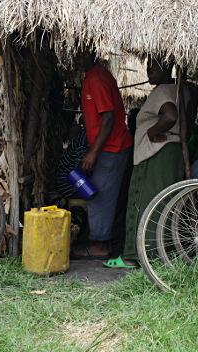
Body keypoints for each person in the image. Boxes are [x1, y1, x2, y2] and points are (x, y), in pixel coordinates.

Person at [105, 59, 187, 268]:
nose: (149, 70)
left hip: (155, 154)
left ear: (168, 68)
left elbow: (170, 116)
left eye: (155, 67)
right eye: (148, 66)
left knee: (144, 202)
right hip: (174, 152)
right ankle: (162, 254)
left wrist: (152, 131)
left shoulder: (163, 91)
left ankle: (134, 256)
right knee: (167, 204)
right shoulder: (181, 90)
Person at [71, 48, 133, 259]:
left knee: (99, 197)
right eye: (77, 52)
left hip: (111, 148)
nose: (80, 56)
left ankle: (101, 247)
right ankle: (105, 240)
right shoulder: (94, 77)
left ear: (94, 54)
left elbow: (108, 118)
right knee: (105, 196)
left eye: (85, 52)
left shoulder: (97, 79)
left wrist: (93, 152)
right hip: (110, 147)